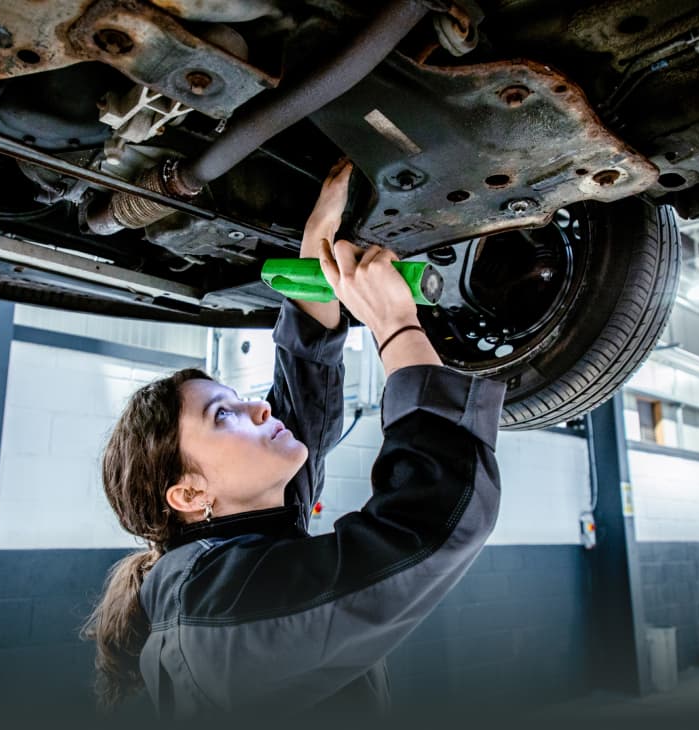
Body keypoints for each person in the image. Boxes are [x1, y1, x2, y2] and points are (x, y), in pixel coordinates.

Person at [83, 160, 505, 721]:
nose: (257, 407)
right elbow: (431, 523)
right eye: (223, 415)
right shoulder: (215, 605)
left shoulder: (225, 564)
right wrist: (395, 325)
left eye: (236, 399)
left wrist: (318, 263)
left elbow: (299, 419)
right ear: (188, 495)